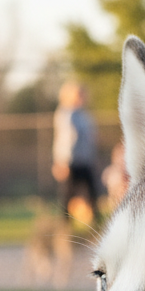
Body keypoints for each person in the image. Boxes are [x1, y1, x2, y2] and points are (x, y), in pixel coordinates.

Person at [52, 81, 100, 226]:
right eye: (78, 95)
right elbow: (65, 140)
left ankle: (96, 223)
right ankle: (64, 225)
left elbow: (90, 139)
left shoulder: (84, 115)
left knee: (92, 192)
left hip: (85, 160)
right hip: (70, 161)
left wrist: (92, 157)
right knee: (67, 194)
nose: (82, 98)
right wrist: (62, 162)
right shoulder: (66, 114)